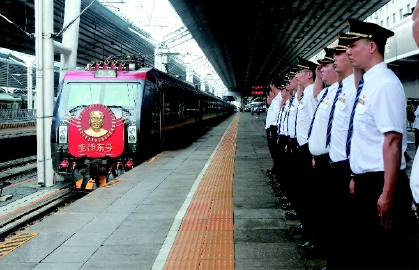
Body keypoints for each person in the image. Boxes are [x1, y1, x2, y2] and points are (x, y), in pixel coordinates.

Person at [340, 18, 415, 268]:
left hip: (381, 184)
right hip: (367, 182)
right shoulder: (369, 83)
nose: (348, 51)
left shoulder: (384, 84)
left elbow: (393, 142)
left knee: (385, 256)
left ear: (372, 46)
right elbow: (365, 139)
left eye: (353, 44)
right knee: (367, 252)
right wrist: (355, 176)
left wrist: (387, 193)